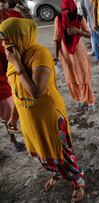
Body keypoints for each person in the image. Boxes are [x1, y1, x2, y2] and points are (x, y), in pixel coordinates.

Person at [0, 18, 85, 202]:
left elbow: (37, 92)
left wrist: (19, 65)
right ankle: (57, 173)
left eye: (8, 38)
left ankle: (78, 180)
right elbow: (16, 91)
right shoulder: (14, 55)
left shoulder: (40, 55)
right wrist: (14, 116)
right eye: (3, 40)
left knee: (62, 151)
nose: (5, 44)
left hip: (49, 117)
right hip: (30, 119)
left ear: (20, 36)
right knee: (42, 151)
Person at [54, 0, 96, 110]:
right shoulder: (59, 19)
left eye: (69, 10)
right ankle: (79, 99)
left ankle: (89, 101)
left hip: (79, 52)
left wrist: (78, 31)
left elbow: (89, 34)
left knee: (83, 76)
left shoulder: (79, 18)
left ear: (74, 8)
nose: (67, 12)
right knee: (71, 76)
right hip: (66, 54)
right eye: (64, 10)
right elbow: (57, 39)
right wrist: (57, 56)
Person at [0, 0, 25, 152]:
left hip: (11, 75)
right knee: (9, 114)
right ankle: (14, 140)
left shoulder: (15, 14)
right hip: (4, 82)